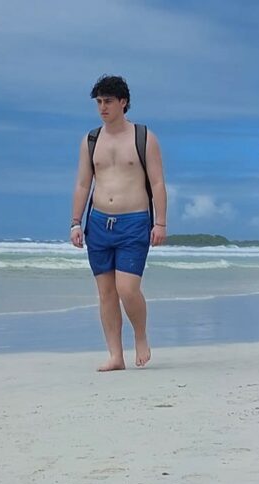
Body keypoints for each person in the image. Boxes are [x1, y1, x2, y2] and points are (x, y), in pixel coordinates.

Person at [70, 75, 167, 371]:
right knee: (106, 292)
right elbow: (83, 184)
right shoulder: (90, 140)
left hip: (134, 222)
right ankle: (115, 355)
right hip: (98, 222)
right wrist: (75, 222)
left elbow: (158, 182)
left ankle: (140, 335)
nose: (103, 107)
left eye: (108, 101)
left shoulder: (144, 136)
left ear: (123, 102)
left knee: (127, 288)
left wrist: (160, 223)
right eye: (99, 102)